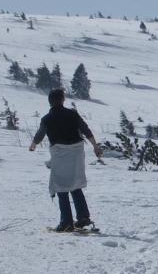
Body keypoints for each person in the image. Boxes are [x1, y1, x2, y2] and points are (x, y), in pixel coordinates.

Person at [28, 88, 102, 232]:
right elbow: (85, 129)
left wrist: (33, 145)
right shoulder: (72, 114)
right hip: (76, 152)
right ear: (63, 100)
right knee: (75, 183)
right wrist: (95, 146)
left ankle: (66, 222)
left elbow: (40, 135)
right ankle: (83, 218)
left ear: (50, 101)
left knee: (61, 185)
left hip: (60, 153)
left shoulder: (46, 119)